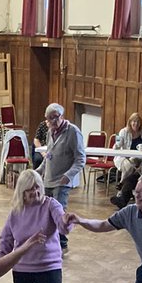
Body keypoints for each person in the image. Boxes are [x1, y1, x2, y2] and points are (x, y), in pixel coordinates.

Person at [36, 104, 85, 250]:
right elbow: (49, 155)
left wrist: (68, 175)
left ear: (61, 116)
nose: (52, 121)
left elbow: (81, 159)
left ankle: (61, 242)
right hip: (48, 179)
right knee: (46, 211)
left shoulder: (73, 132)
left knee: (58, 211)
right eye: (49, 118)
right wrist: (38, 171)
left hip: (62, 181)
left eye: (55, 117)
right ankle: (51, 239)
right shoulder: (50, 132)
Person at [112, 112, 142, 187]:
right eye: (134, 121)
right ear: (130, 122)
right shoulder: (123, 131)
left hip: (139, 158)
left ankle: (123, 185)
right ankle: (123, 184)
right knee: (129, 166)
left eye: (138, 122)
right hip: (124, 157)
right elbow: (118, 143)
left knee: (141, 165)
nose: (136, 124)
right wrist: (117, 145)